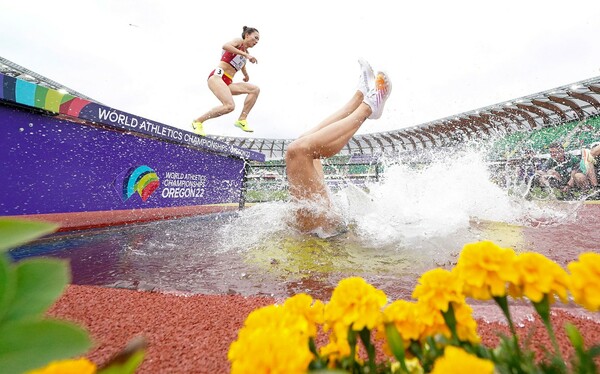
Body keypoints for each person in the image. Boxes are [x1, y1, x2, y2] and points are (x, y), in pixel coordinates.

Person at [285, 59, 391, 236]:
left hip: (315, 228)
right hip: (316, 236)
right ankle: (367, 108)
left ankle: (358, 99)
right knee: (298, 151)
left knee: (304, 142)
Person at [191, 26, 260, 136]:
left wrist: (246, 76)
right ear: (247, 35)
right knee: (229, 106)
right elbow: (225, 46)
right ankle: (198, 122)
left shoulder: (244, 55)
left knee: (255, 90)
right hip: (217, 77)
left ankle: (242, 119)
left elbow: (242, 66)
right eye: (255, 38)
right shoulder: (239, 42)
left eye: (258, 40)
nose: (256, 42)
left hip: (228, 82)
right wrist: (246, 55)